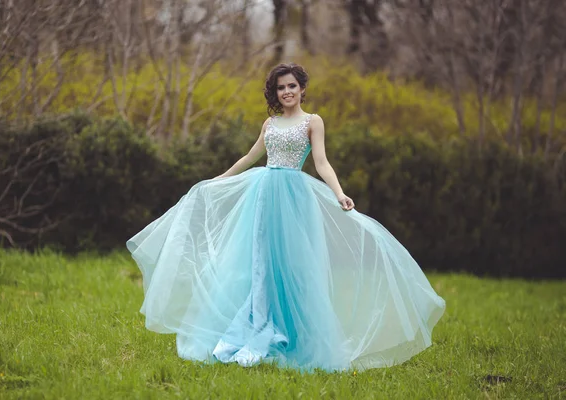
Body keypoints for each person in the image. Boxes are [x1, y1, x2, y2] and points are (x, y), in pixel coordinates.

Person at [127, 63, 445, 372]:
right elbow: (251, 157)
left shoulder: (312, 122)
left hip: (294, 198)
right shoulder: (269, 124)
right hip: (263, 194)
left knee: (292, 265)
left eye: (292, 85)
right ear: (275, 92)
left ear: (302, 89)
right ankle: (256, 325)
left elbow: (321, 162)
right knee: (259, 263)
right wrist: (219, 179)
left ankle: (292, 335)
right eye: (281, 87)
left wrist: (339, 193)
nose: (287, 91)